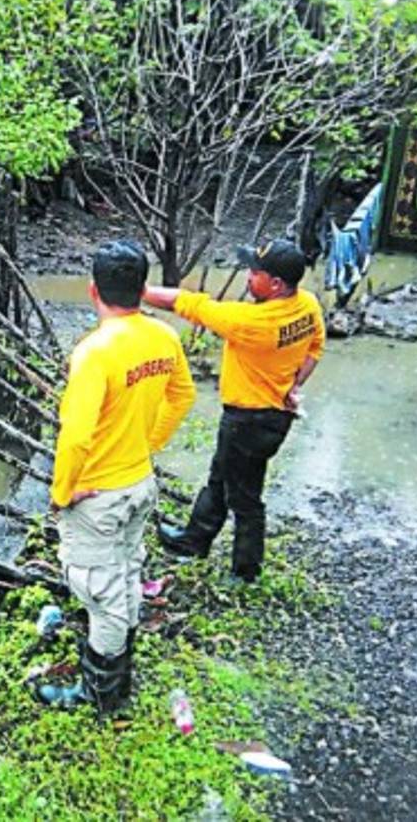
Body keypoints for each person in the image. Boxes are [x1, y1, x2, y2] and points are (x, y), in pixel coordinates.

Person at [37, 240, 195, 717]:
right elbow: (182, 396)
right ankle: (119, 676)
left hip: (99, 496)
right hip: (139, 484)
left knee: (102, 593)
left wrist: (62, 491)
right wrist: (148, 444)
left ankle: (102, 695)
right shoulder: (163, 336)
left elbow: (75, 436)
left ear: (93, 290)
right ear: (143, 290)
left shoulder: (94, 353)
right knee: (125, 572)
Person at [142, 238, 325, 584]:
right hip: (275, 415)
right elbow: (316, 347)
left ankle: (245, 570)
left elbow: (188, 304)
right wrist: (293, 385)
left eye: (254, 273)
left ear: (275, 284)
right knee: (221, 476)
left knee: (244, 497)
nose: (247, 277)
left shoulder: (251, 322)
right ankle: (194, 540)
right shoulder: (307, 305)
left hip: (248, 420)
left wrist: (138, 291)